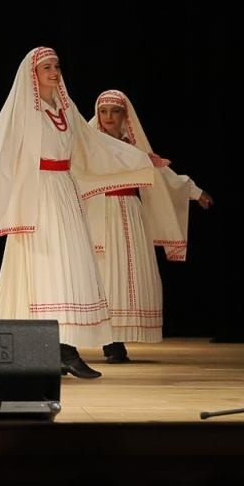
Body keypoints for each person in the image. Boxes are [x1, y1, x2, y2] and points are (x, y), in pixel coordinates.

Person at [0, 47, 154, 379]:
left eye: (56, 65)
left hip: (64, 189)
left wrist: (138, 160)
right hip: (38, 193)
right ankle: (52, 350)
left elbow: (92, 143)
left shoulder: (65, 107)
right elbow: (2, 142)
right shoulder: (25, 111)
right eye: (47, 66)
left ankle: (66, 349)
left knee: (72, 265)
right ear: (32, 73)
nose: (54, 71)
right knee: (46, 268)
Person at [83, 89, 213, 363]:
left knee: (126, 274)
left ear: (124, 115)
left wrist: (194, 190)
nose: (108, 117)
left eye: (114, 111)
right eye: (103, 111)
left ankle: (116, 342)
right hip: (98, 213)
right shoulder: (87, 143)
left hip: (129, 211)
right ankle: (102, 339)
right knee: (103, 276)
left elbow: (161, 174)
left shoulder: (134, 145)